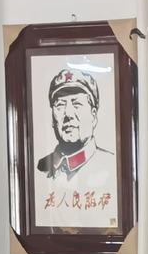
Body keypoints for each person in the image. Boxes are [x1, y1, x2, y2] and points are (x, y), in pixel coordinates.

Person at [34, 66, 118, 226]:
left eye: (77, 104)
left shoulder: (112, 166)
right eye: (60, 105)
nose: (68, 114)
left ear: (94, 115)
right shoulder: (39, 169)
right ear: (52, 118)